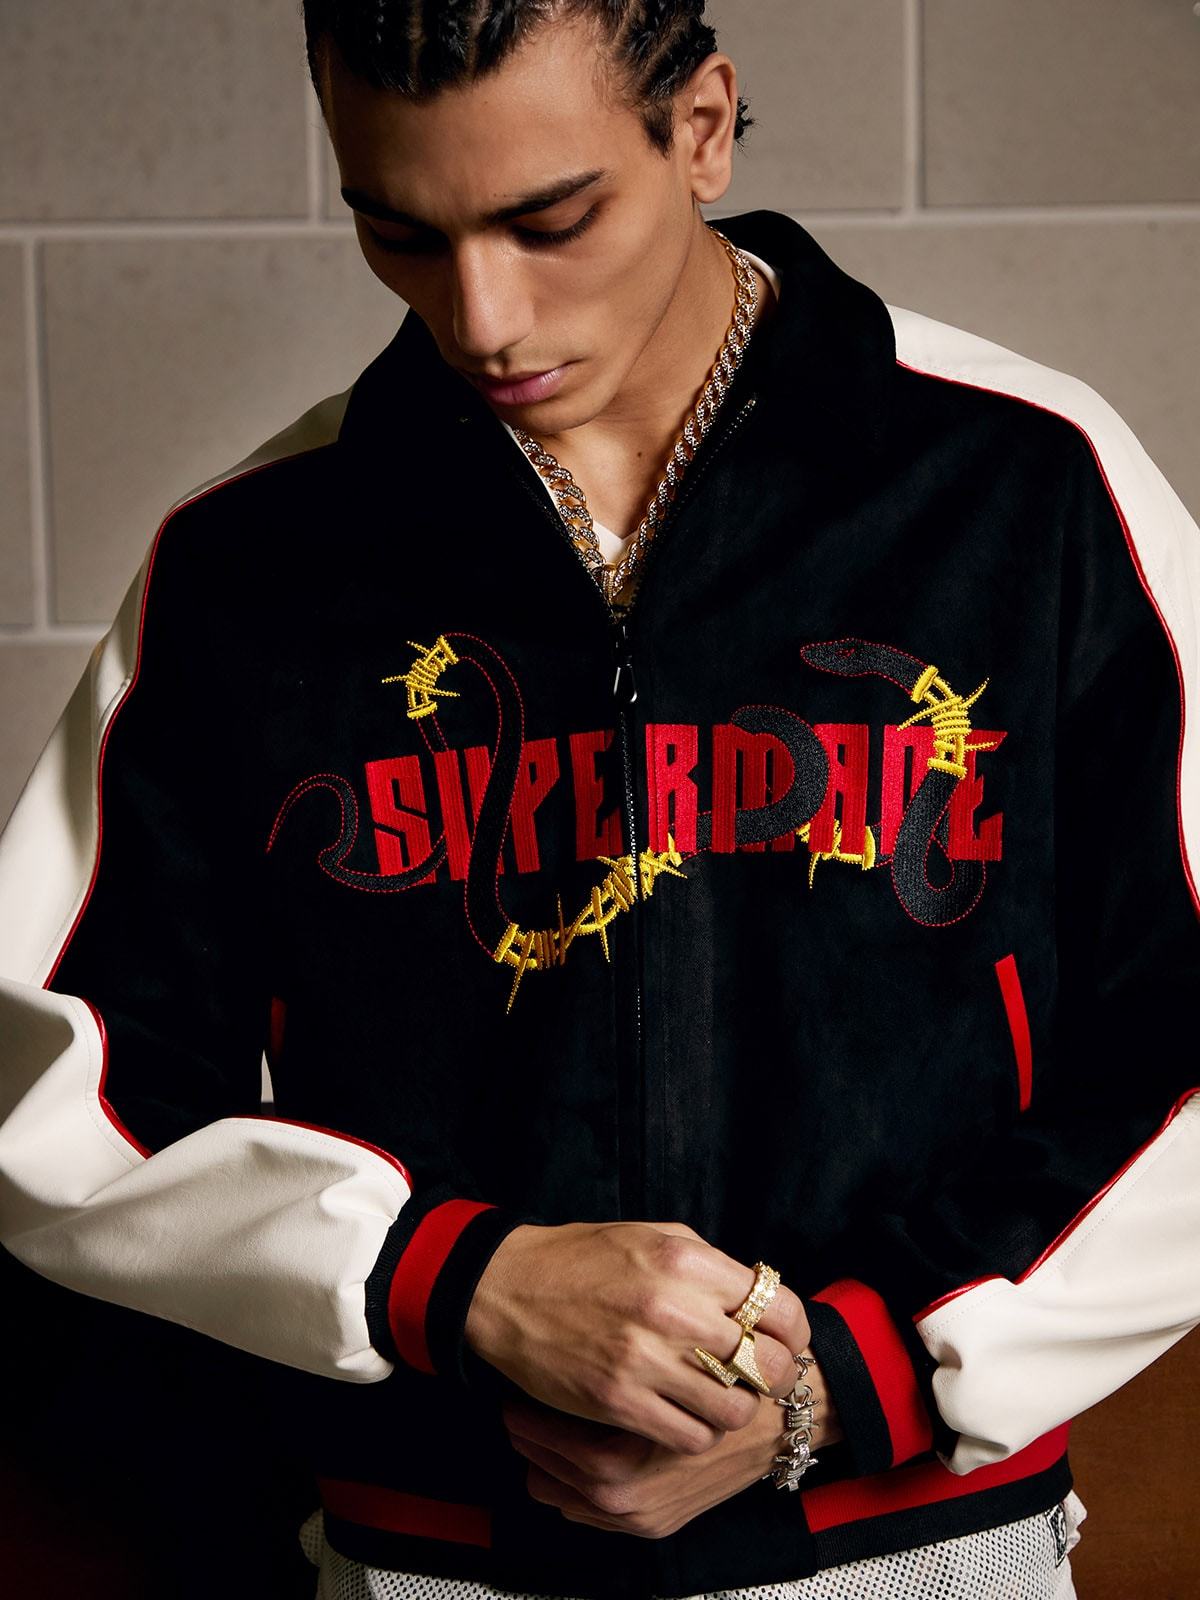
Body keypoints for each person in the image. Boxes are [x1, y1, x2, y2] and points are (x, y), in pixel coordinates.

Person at [0, 1, 1195, 1596]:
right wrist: (457, 1282)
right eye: (400, 233)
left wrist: (848, 1379)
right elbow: (58, 1083)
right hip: (433, 1555)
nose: (482, 318)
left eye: (550, 221)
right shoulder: (252, 564)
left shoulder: (1026, 485)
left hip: (916, 1542)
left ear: (700, 127)